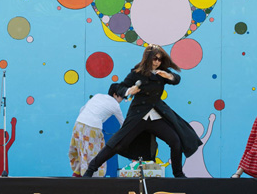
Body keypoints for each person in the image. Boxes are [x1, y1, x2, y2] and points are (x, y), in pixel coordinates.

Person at [83, 44, 202, 178]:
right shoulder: (136, 73)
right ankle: (90, 170)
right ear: (148, 58)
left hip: (156, 116)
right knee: (117, 144)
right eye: (154, 58)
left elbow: (177, 80)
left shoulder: (161, 73)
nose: (157, 62)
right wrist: (129, 91)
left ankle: (178, 174)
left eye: (160, 59)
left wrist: (168, 76)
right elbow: (120, 86)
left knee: (175, 140)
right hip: (138, 116)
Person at [68, 83, 125, 177]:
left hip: (78, 124)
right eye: (122, 97)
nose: (122, 100)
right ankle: (92, 181)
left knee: (81, 151)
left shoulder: (98, 95)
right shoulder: (115, 105)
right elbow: (123, 123)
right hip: (92, 127)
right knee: (96, 155)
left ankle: (77, 174)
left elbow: (82, 109)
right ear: (115, 94)